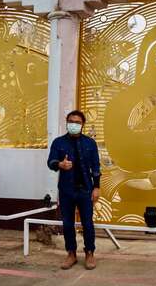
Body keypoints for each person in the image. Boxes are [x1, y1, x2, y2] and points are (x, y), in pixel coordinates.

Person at [47, 110, 101, 270]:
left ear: (82, 124)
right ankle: (71, 254)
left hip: (85, 190)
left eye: (77, 122)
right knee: (68, 224)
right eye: (71, 121)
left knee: (88, 224)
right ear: (67, 122)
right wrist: (59, 165)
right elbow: (50, 162)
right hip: (66, 190)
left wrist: (96, 187)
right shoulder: (58, 142)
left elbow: (96, 167)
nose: (74, 125)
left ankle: (90, 253)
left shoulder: (90, 143)